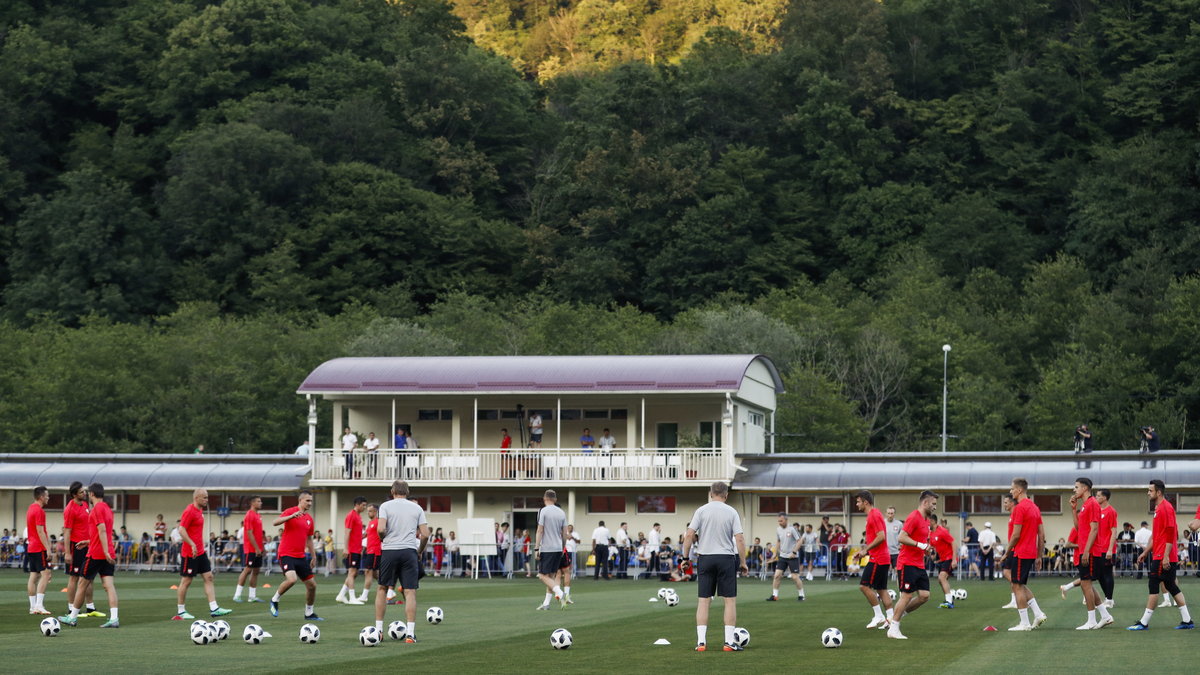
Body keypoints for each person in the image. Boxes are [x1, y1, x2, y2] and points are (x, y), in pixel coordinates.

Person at [682, 481, 747, 652]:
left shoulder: (701, 510)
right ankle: (728, 643)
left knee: (703, 601)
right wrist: (743, 562)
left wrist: (685, 558)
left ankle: (701, 643)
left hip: (705, 558)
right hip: (726, 558)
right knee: (729, 601)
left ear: (711, 494)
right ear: (726, 495)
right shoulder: (732, 511)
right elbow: (739, 539)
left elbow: (689, 535)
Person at [1128, 480, 1192, 630]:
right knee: (1171, 586)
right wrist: (1145, 552)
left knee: (1153, 584)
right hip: (1159, 554)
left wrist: (1165, 556)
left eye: (1150, 490)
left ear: (1158, 492)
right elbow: (1157, 537)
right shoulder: (1158, 509)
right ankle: (1187, 621)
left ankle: (1144, 622)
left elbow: (1171, 535)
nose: (1148, 493)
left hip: (1163, 556)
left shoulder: (1166, 508)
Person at [58, 483, 120, 628]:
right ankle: (114, 618)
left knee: (82, 583)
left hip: (96, 554)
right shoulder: (107, 509)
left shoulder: (97, 509)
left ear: (92, 494)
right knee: (109, 586)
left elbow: (102, 530)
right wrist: (89, 541)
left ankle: (72, 617)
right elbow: (103, 532)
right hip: (108, 551)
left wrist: (102, 551)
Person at [374, 480, 429, 642]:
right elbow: (425, 534)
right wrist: (419, 551)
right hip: (409, 551)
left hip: (390, 550)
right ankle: (410, 634)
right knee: (410, 591)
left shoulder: (385, 506)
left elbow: (380, 529)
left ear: (392, 491)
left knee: (382, 589)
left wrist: (383, 538)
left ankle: (378, 631)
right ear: (408, 491)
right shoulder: (417, 508)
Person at [174, 489, 233, 620]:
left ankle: (214, 608)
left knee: (209, 577)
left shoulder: (200, 511)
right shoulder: (189, 511)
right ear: (197, 498)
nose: (207, 500)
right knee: (186, 581)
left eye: (207, 497)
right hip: (190, 553)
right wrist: (192, 544)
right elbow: (181, 530)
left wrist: (199, 545)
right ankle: (181, 611)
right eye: (204, 498)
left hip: (200, 552)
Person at [887, 490, 938, 639]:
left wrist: (927, 549)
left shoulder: (926, 521)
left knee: (924, 596)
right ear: (925, 502)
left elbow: (922, 542)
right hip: (907, 563)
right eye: (933, 504)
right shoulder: (913, 517)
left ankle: (897, 615)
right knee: (907, 596)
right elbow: (901, 537)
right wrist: (920, 545)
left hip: (919, 564)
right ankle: (893, 629)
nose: (935, 507)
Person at [270, 490, 322, 620]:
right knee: (292, 579)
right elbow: (275, 522)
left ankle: (309, 613)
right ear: (300, 500)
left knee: (312, 586)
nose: (310, 503)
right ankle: (274, 600)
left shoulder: (309, 519)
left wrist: (313, 555)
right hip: (286, 553)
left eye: (311, 501)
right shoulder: (290, 511)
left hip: (301, 556)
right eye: (307, 500)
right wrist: (291, 516)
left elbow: (309, 539)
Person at [1004, 478, 1047, 631]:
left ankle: (1024, 623)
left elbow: (1015, 535)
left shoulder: (1019, 508)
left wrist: (1006, 553)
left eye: (1012, 488)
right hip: (1030, 553)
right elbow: (1041, 534)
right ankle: (1038, 613)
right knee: (1020, 585)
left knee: (1016, 586)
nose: (1010, 491)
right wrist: (1039, 555)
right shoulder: (1035, 507)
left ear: (1019, 490)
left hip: (1021, 552)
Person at [854, 491, 894, 628]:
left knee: (864, 586)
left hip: (878, 559)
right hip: (881, 557)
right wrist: (864, 552)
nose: (857, 504)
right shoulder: (874, 514)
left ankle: (878, 615)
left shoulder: (874, 515)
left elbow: (881, 536)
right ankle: (890, 619)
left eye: (858, 501)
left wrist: (866, 549)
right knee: (881, 589)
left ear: (866, 502)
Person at [61, 482, 101, 617]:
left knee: (89, 577)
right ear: (74, 495)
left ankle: (90, 608)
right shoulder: (69, 509)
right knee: (74, 577)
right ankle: (71, 608)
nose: (84, 494)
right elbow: (67, 531)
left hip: (88, 546)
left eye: (84, 491)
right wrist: (67, 552)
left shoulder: (85, 505)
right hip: (76, 546)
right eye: (81, 492)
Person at [534, 489, 568, 610]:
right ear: (555, 500)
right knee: (551, 577)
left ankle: (561, 594)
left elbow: (540, 530)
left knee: (542, 576)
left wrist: (536, 548)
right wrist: (563, 547)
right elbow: (565, 533)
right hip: (558, 548)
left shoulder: (543, 511)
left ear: (544, 499)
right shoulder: (562, 512)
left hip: (547, 548)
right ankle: (546, 603)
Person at [24, 486, 53, 616]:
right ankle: (39, 605)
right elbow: (40, 531)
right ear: (41, 497)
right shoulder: (40, 511)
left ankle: (32, 607)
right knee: (46, 574)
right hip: (38, 547)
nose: (48, 497)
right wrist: (48, 549)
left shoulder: (30, 508)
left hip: (31, 547)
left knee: (33, 576)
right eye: (47, 495)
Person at [233, 496, 265, 603]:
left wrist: (262, 547)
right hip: (251, 549)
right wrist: (256, 548)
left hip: (258, 548)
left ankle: (252, 596)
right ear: (252, 503)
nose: (261, 503)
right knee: (247, 570)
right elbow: (249, 533)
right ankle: (237, 595)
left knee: (256, 571)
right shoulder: (249, 515)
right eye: (258, 501)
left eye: (261, 501)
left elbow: (258, 533)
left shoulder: (258, 515)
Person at [766, 513, 804, 601]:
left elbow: (800, 541)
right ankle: (774, 596)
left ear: (786, 520)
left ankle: (802, 595)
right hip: (782, 556)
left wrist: (794, 552)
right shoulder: (778, 529)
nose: (779, 522)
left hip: (792, 557)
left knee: (795, 577)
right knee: (777, 576)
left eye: (781, 521)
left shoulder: (792, 529)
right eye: (778, 521)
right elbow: (778, 541)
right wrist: (775, 552)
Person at [1094, 487, 1119, 610]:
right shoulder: (1097, 510)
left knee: (1108, 574)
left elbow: (1114, 531)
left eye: (1098, 496)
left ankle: (1109, 599)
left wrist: (1110, 549)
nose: (1096, 497)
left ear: (1104, 497)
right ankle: (1108, 598)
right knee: (1099, 575)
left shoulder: (1111, 511)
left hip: (1107, 549)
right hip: (1098, 549)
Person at [930, 518, 957, 608]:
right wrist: (934, 555)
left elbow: (953, 543)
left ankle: (949, 602)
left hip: (949, 558)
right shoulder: (931, 533)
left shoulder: (942, 531)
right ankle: (949, 599)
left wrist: (954, 559)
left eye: (927, 521)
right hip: (942, 559)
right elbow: (934, 546)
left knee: (942, 577)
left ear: (933, 521)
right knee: (941, 580)